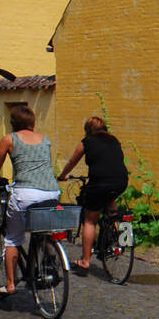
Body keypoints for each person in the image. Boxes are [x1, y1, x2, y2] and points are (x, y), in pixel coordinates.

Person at [0, 106, 59, 296]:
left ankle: (10, 284)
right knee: (43, 229)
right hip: (51, 192)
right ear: (32, 122)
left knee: (12, 239)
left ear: (13, 122)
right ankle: (51, 261)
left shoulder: (9, 139)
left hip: (26, 193)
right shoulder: (45, 140)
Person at [57, 116, 129, 275]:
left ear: (88, 130)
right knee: (110, 199)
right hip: (120, 182)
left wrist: (62, 175)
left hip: (100, 183)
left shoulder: (87, 142)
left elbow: (72, 162)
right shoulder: (114, 140)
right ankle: (116, 230)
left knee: (90, 220)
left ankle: (85, 262)